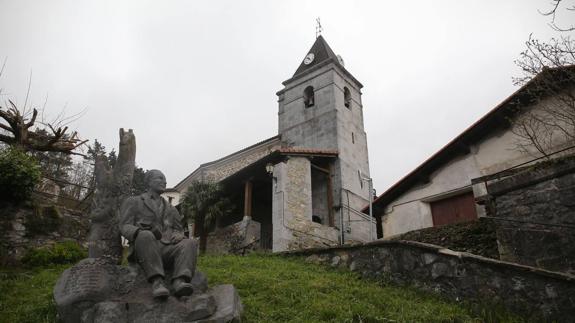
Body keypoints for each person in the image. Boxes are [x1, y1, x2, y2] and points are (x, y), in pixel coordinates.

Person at [120, 169, 197, 299]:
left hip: (167, 248)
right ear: (149, 182)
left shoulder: (171, 209)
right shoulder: (134, 201)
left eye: (165, 179)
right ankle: (157, 282)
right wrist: (138, 231)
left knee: (190, 242)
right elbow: (124, 225)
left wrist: (179, 235)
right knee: (146, 235)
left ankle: (179, 282)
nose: (164, 182)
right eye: (160, 178)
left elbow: (179, 229)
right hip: (144, 248)